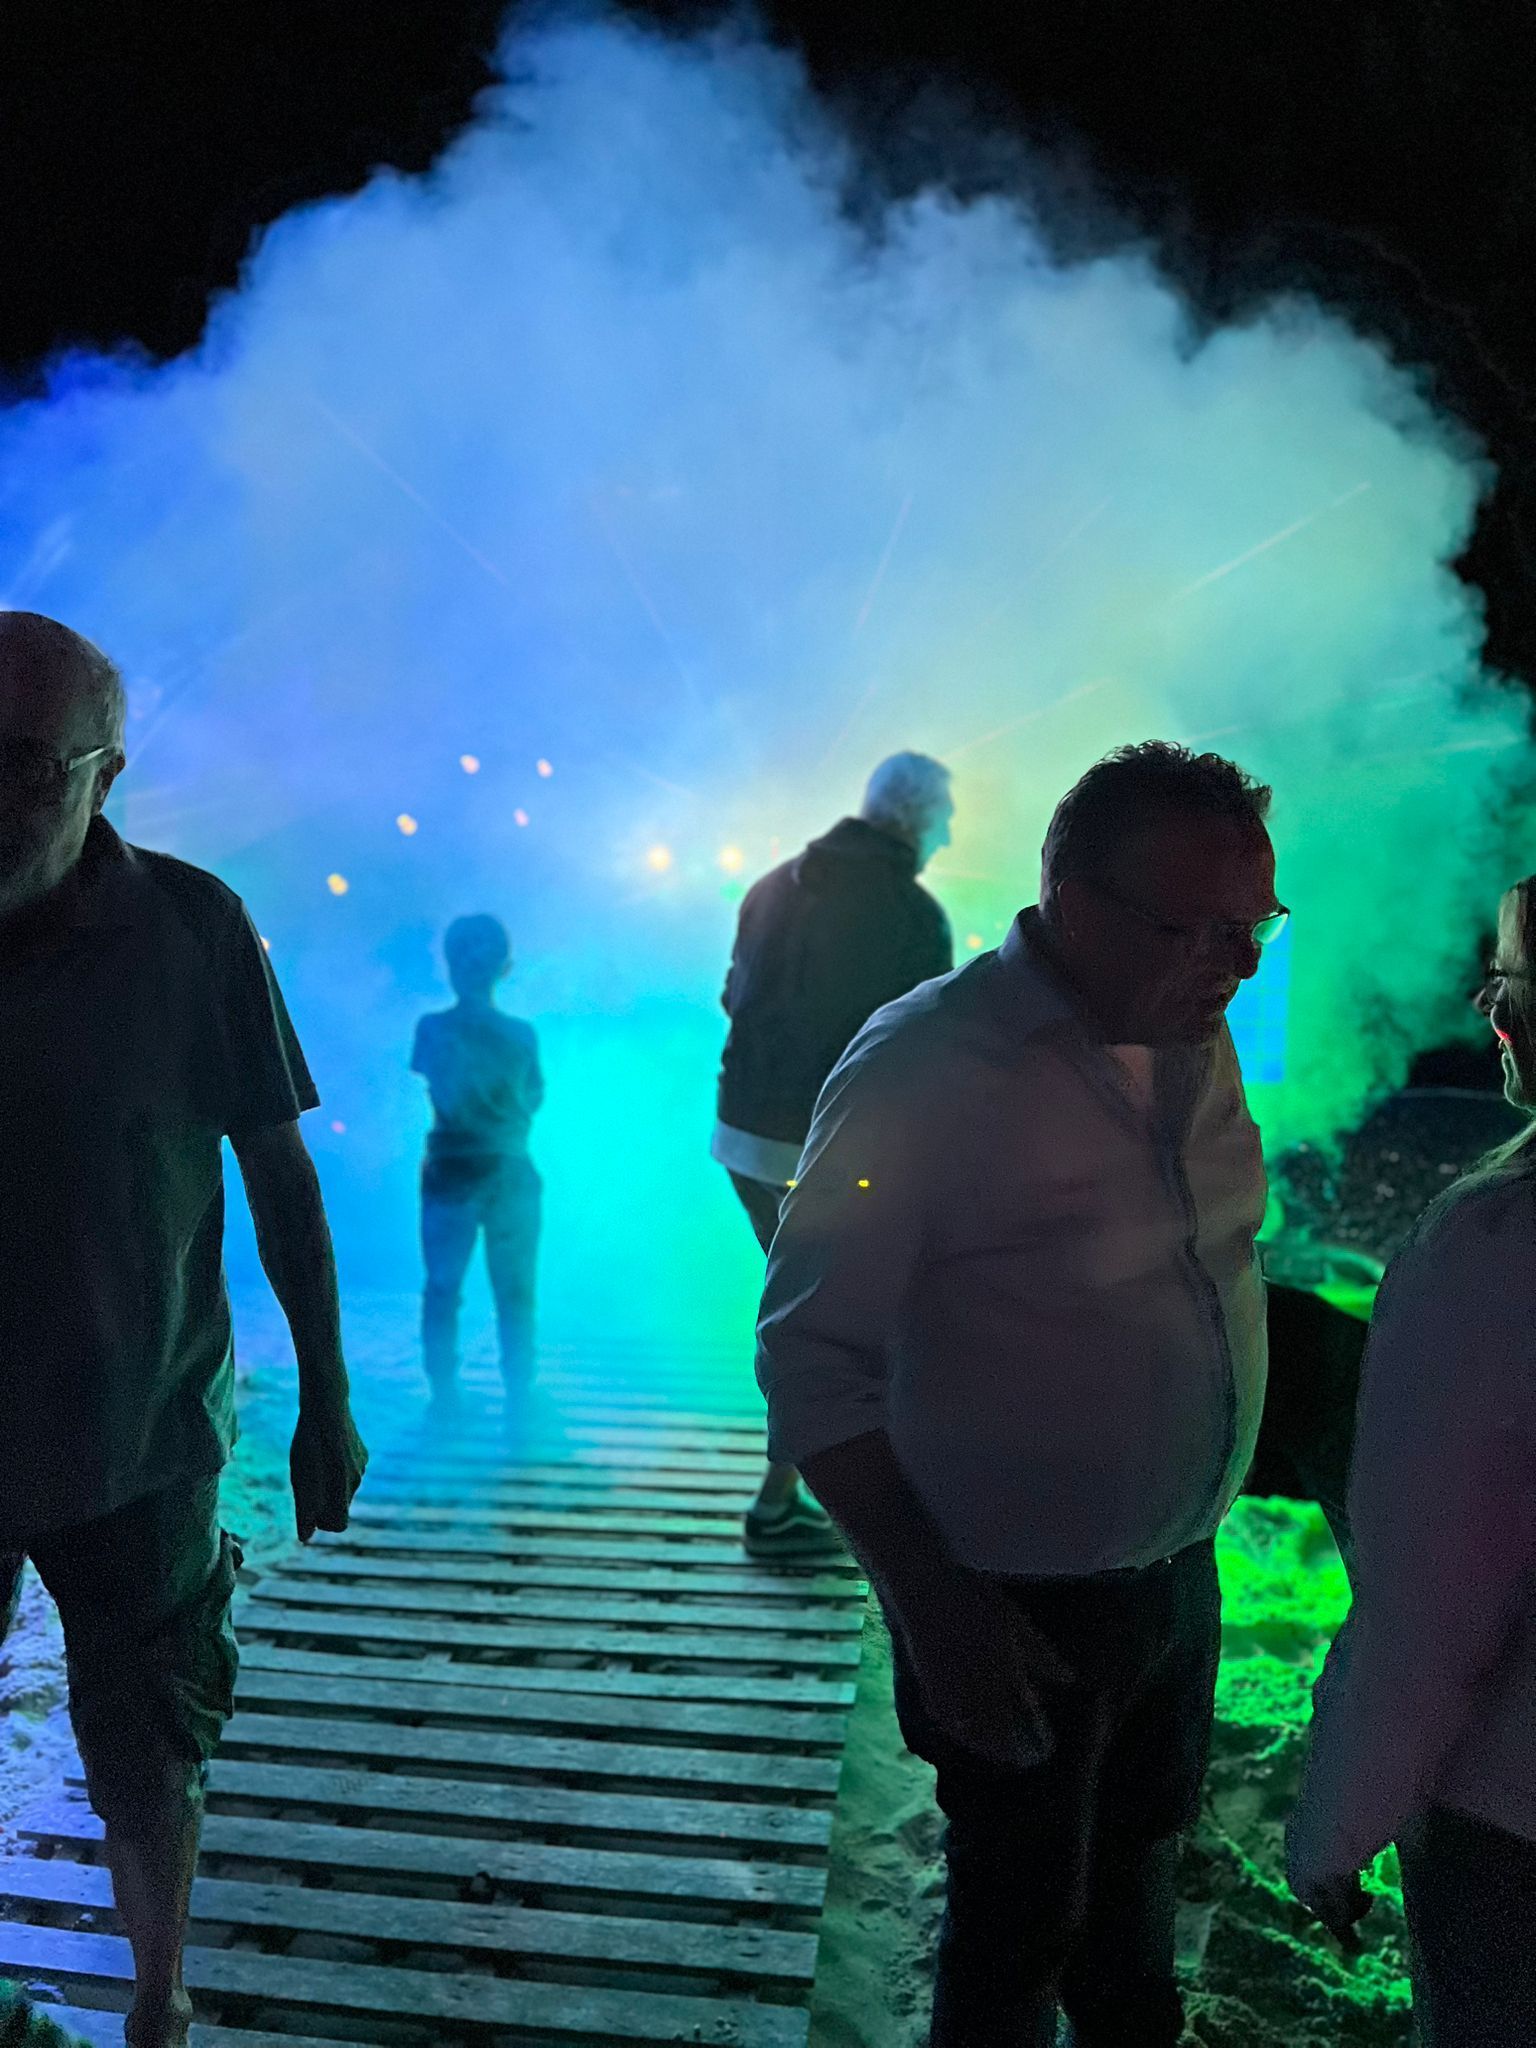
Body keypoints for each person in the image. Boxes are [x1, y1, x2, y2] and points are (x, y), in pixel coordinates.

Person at [758, 740, 1287, 2047]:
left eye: (1255, 926)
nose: (1239, 966)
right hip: (1012, 1602)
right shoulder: (927, 1064)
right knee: (1015, 1937)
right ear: (1075, 903)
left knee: (1138, 1898)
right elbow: (809, 1354)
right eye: (1199, 929)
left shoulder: (1189, 1024)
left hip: (1179, 1573)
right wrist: (936, 1608)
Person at [0, 612, 368, 2048]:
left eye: (26, 765)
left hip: (137, 1423)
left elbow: (279, 1172)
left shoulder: (191, 927)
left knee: (152, 1728)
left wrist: (325, 1393)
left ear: (107, 774)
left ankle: (159, 1997)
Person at [1287, 873, 1536, 2046]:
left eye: (1512, 980)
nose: (1491, 1007)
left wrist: (1337, 1821)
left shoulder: (1493, 1242)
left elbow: (1431, 1604)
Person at [712, 750, 954, 1557]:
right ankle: (785, 1506)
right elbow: (920, 1051)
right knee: (840, 1326)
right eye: (945, 820)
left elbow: (733, 997)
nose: (948, 839)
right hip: (826, 1152)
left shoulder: (771, 886)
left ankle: (793, 1494)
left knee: (806, 1309)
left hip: (745, 1140)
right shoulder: (912, 913)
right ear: (915, 818)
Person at [412, 912, 544, 1402]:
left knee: (443, 1288)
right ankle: (519, 1393)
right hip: (510, 1169)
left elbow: (436, 1088)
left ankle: (444, 1392)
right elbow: (534, 1096)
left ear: (449, 966)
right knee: (515, 1293)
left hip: (449, 1171)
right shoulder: (522, 1034)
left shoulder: (432, 1028)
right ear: (504, 967)